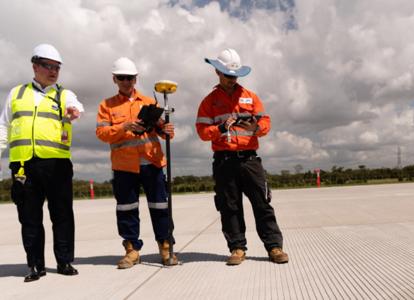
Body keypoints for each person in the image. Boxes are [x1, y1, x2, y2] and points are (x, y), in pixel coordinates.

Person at [196, 48, 288, 265]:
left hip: (249, 159)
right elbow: (201, 132)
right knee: (229, 206)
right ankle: (237, 248)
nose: (231, 79)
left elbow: (265, 123)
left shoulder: (250, 97)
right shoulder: (209, 101)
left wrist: (257, 128)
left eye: (235, 76)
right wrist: (219, 129)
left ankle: (274, 247)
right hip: (224, 161)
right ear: (218, 73)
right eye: (228, 75)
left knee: (262, 203)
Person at [0, 44, 83, 282]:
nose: (53, 71)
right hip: (24, 165)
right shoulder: (16, 93)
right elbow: (3, 126)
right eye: (48, 66)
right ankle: (35, 265)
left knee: (62, 213)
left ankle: (65, 261)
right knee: (29, 216)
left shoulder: (63, 94)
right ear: (35, 66)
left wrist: (73, 112)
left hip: (57, 165)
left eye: (57, 67)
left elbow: (77, 107)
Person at [95, 57, 178, 269]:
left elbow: (160, 129)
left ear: (136, 78)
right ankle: (132, 250)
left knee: (160, 206)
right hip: (124, 166)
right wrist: (124, 126)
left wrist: (166, 130)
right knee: (126, 209)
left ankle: (165, 246)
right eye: (121, 77)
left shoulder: (150, 102)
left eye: (130, 77)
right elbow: (102, 133)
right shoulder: (106, 105)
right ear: (114, 79)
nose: (126, 81)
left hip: (152, 162)